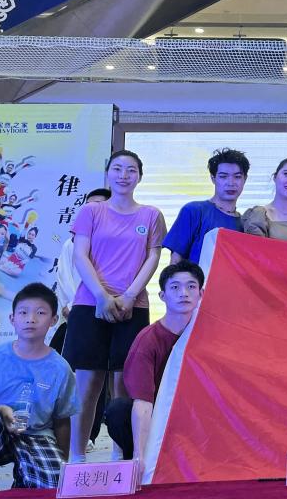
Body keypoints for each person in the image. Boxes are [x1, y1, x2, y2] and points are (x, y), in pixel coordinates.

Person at [63, 150, 165, 463]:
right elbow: (80, 255)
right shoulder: (91, 212)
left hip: (133, 306)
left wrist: (130, 295)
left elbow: (153, 257)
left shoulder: (151, 215)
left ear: (140, 176)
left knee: (125, 384)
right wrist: (101, 295)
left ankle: (120, 457)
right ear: (108, 173)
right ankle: (77, 456)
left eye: (131, 170)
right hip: (89, 303)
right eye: (117, 169)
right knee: (88, 383)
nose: (123, 175)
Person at [105, 261, 203, 469]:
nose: (184, 293)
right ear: (162, 296)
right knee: (118, 410)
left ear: (201, 293)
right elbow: (143, 402)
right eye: (175, 287)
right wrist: (140, 456)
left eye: (191, 286)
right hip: (158, 414)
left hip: (195, 413)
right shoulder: (148, 341)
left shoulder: (208, 335)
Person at [0, 283, 78, 488]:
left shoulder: (60, 369)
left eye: (40, 313)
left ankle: (23, 483)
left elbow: (62, 420)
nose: (30, 319)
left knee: (52, 483)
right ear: (12, 319)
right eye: (23, 312)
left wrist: (63, 464)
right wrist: (1, 410)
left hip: (37, 435)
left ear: (53, 320)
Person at [163, 148, 249, 264]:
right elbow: (175, 260)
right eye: (223, 176)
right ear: (213, 178)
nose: (231, 183)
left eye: (237, 177)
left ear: (245, 179)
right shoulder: (194, 211)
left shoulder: (245, 224)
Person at [52, 188, 111, 351]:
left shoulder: (119, 243)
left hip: (108, 312)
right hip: (76, 312)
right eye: (88, 206)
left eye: (98, 206)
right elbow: (64, 277)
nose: (91, 210)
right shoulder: (71, 243)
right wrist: (73, 306)